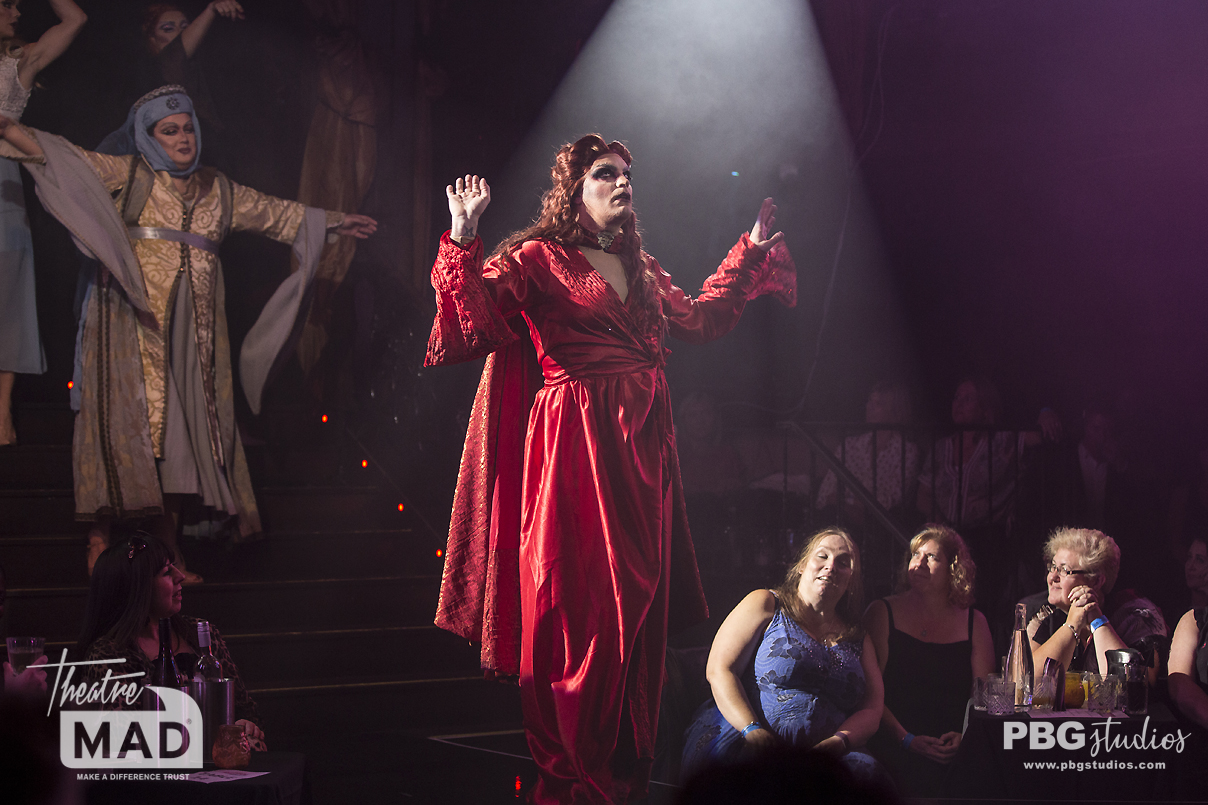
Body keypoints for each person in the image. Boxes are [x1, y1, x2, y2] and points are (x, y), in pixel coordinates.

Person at [426, 134, 795, 803]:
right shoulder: (538, 257)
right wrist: (463, 235)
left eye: (627, 174)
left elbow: (701, 319)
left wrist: (749, 252)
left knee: (631, 617)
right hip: (572, 449)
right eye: (606, 173)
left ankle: (616, 776)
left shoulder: (641, 266)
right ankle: (571, 780)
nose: (623, 182)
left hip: (640, 461)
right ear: (574, 190)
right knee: (571, 610)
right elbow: (471, 321)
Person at [0, 85, 376, 581]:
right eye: (169, 130)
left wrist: (334, 221)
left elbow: (274, 213)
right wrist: (9, 128)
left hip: (192, 339)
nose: (183, 138)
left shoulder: (217, 188)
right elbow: (67, 160)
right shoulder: (130, 173)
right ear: (148, 136)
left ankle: (167, 549)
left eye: (187, 129)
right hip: (130, 329)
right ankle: (99, 536)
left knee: (183, 437)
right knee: (117, 425)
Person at [680, 528, 884, 784]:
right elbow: (720, 669)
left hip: (828, 754)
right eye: (822, 556)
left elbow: (872, 707)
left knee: (867, 777)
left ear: (852, 579)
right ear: (801, 565)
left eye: (843, 563)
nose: (831, 566)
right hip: (750, 734)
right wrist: (750, 729)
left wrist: (839, 741)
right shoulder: (767, 603)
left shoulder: (858, 637)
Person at [76, 533, 265, 749]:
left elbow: (245, 709)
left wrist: (246, 725)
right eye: (167, 572)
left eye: (175, 567)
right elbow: (124, 739)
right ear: (137, 587)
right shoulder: (108, 654)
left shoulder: (200, 633)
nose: (181, 576)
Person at [0, 0, 87, 446]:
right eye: (6, 4)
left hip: (3, 181)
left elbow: (75, 19)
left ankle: (1, 412)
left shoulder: (19, 63)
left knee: (8, 292)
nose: (16, 13)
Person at [862, 525, 994, 797]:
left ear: (954, 569)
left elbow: (983, 696)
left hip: (952, 747)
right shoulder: (882, 611)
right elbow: (868, 693)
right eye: (915, 554)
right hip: (894, 741)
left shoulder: (975, 622)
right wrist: (907, 739)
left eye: (932, 557)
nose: (919, 563)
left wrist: (965, 736)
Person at [1026, 527, 1133, 674]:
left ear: (1096, 581)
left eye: (1064, 570)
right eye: (1053, 567)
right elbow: (1027, 679)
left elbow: (1126, 680)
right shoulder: (1044, 615)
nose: (1052, 578)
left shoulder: (1131, 617)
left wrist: (1097, 620)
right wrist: (1072, 625)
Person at [816, 381, 919, 522]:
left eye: (878, 404)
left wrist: (849, 502)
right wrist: (851, 506)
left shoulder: (906, 452)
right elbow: (826, 493)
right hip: (837, 516)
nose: (869, 407)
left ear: (895, 411)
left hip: (878, 524)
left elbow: (889, 501)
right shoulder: (850, 445)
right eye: (869, 401)